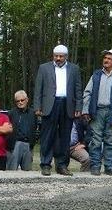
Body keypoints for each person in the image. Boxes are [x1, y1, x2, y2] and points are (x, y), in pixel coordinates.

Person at [33, 44, 83, 176]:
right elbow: (38, 89)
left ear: (66, 56)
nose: (58, 58)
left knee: (65, 137)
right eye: (56, 56)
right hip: (49, 104)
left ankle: (62, 165)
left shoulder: (74, 69)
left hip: (68, 104)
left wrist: (79, 106)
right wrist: (37, 106)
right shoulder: (44, 68)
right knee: (47, 136)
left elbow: (78, 89)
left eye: (61, 56)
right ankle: (45, 164)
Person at [82, 49, 112, 176]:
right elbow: (87, 93)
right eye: (105, 58)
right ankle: (95, 166)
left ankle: (109, 167)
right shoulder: (96, 75)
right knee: (95, 140)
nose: (106, 60)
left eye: (109, 58)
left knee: (111, 140)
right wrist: (85, 110)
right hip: (97, 112)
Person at [6, 90, 37, 170]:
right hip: (15, 144)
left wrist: (33, 142)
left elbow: (35, 127)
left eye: (22, 100)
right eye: (17, 101)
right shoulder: (11, 113)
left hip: (28, 145)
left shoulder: (33, 113)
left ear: (27, 100)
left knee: (27, 171)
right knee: (11, 170)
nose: (20, 102)